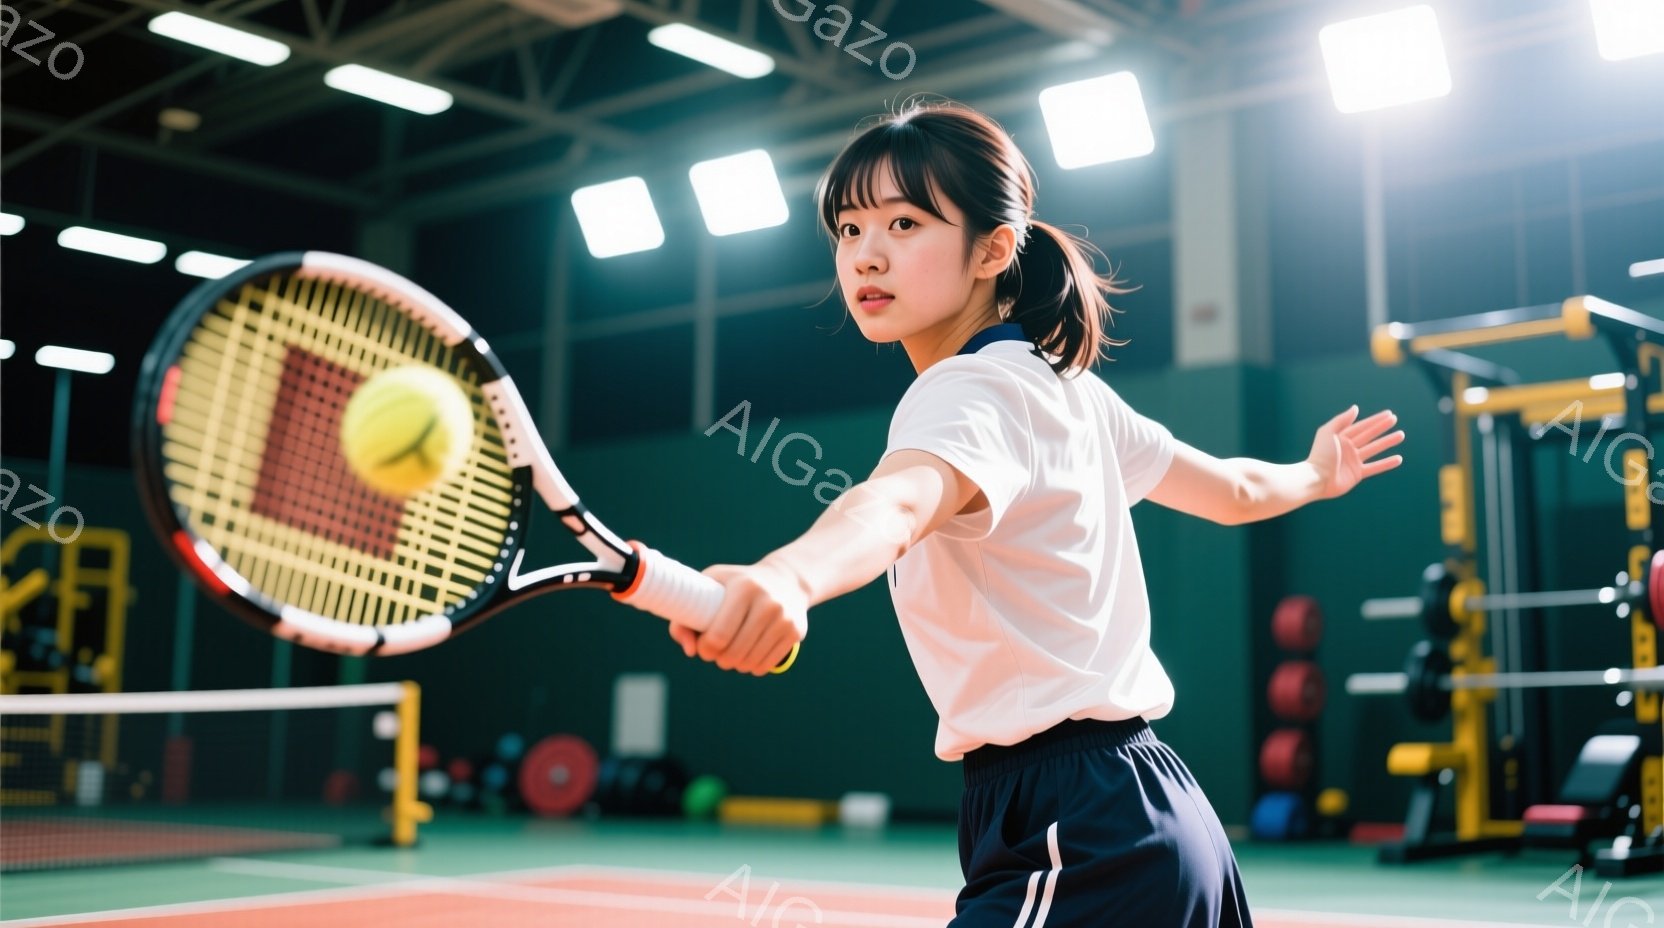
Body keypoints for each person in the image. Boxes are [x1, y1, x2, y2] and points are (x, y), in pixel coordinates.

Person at [668, 99, 1404, 927]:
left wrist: (789, 576)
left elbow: (896, 502)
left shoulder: (965, 390)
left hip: (1075, 829)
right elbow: (1234, 493)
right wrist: (1311, 474)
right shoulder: (1067, 388)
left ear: (992, 248)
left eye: (905, 224)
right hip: (1148, 805)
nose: (866, 255)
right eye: (848, 229)